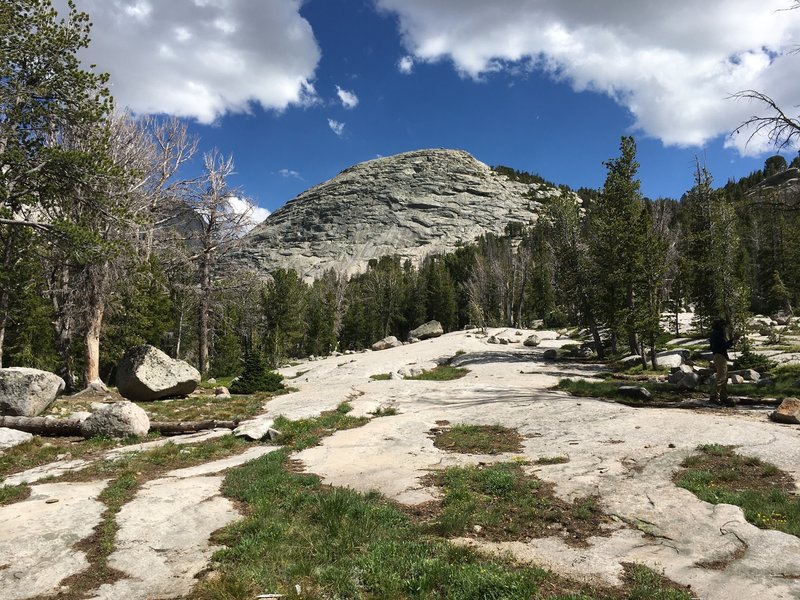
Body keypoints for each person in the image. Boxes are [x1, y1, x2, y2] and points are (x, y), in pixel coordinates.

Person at [709, 318, 738, 405]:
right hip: (720, 356)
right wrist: (733, 341)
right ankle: (714, 396)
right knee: (721, 377)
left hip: (717, 356)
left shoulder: (714, 333)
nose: (724, 327)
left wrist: (731, 340)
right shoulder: (718, 334)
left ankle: (723, 396)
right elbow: (724, 346)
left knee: (724, 377)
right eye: (723, 325)